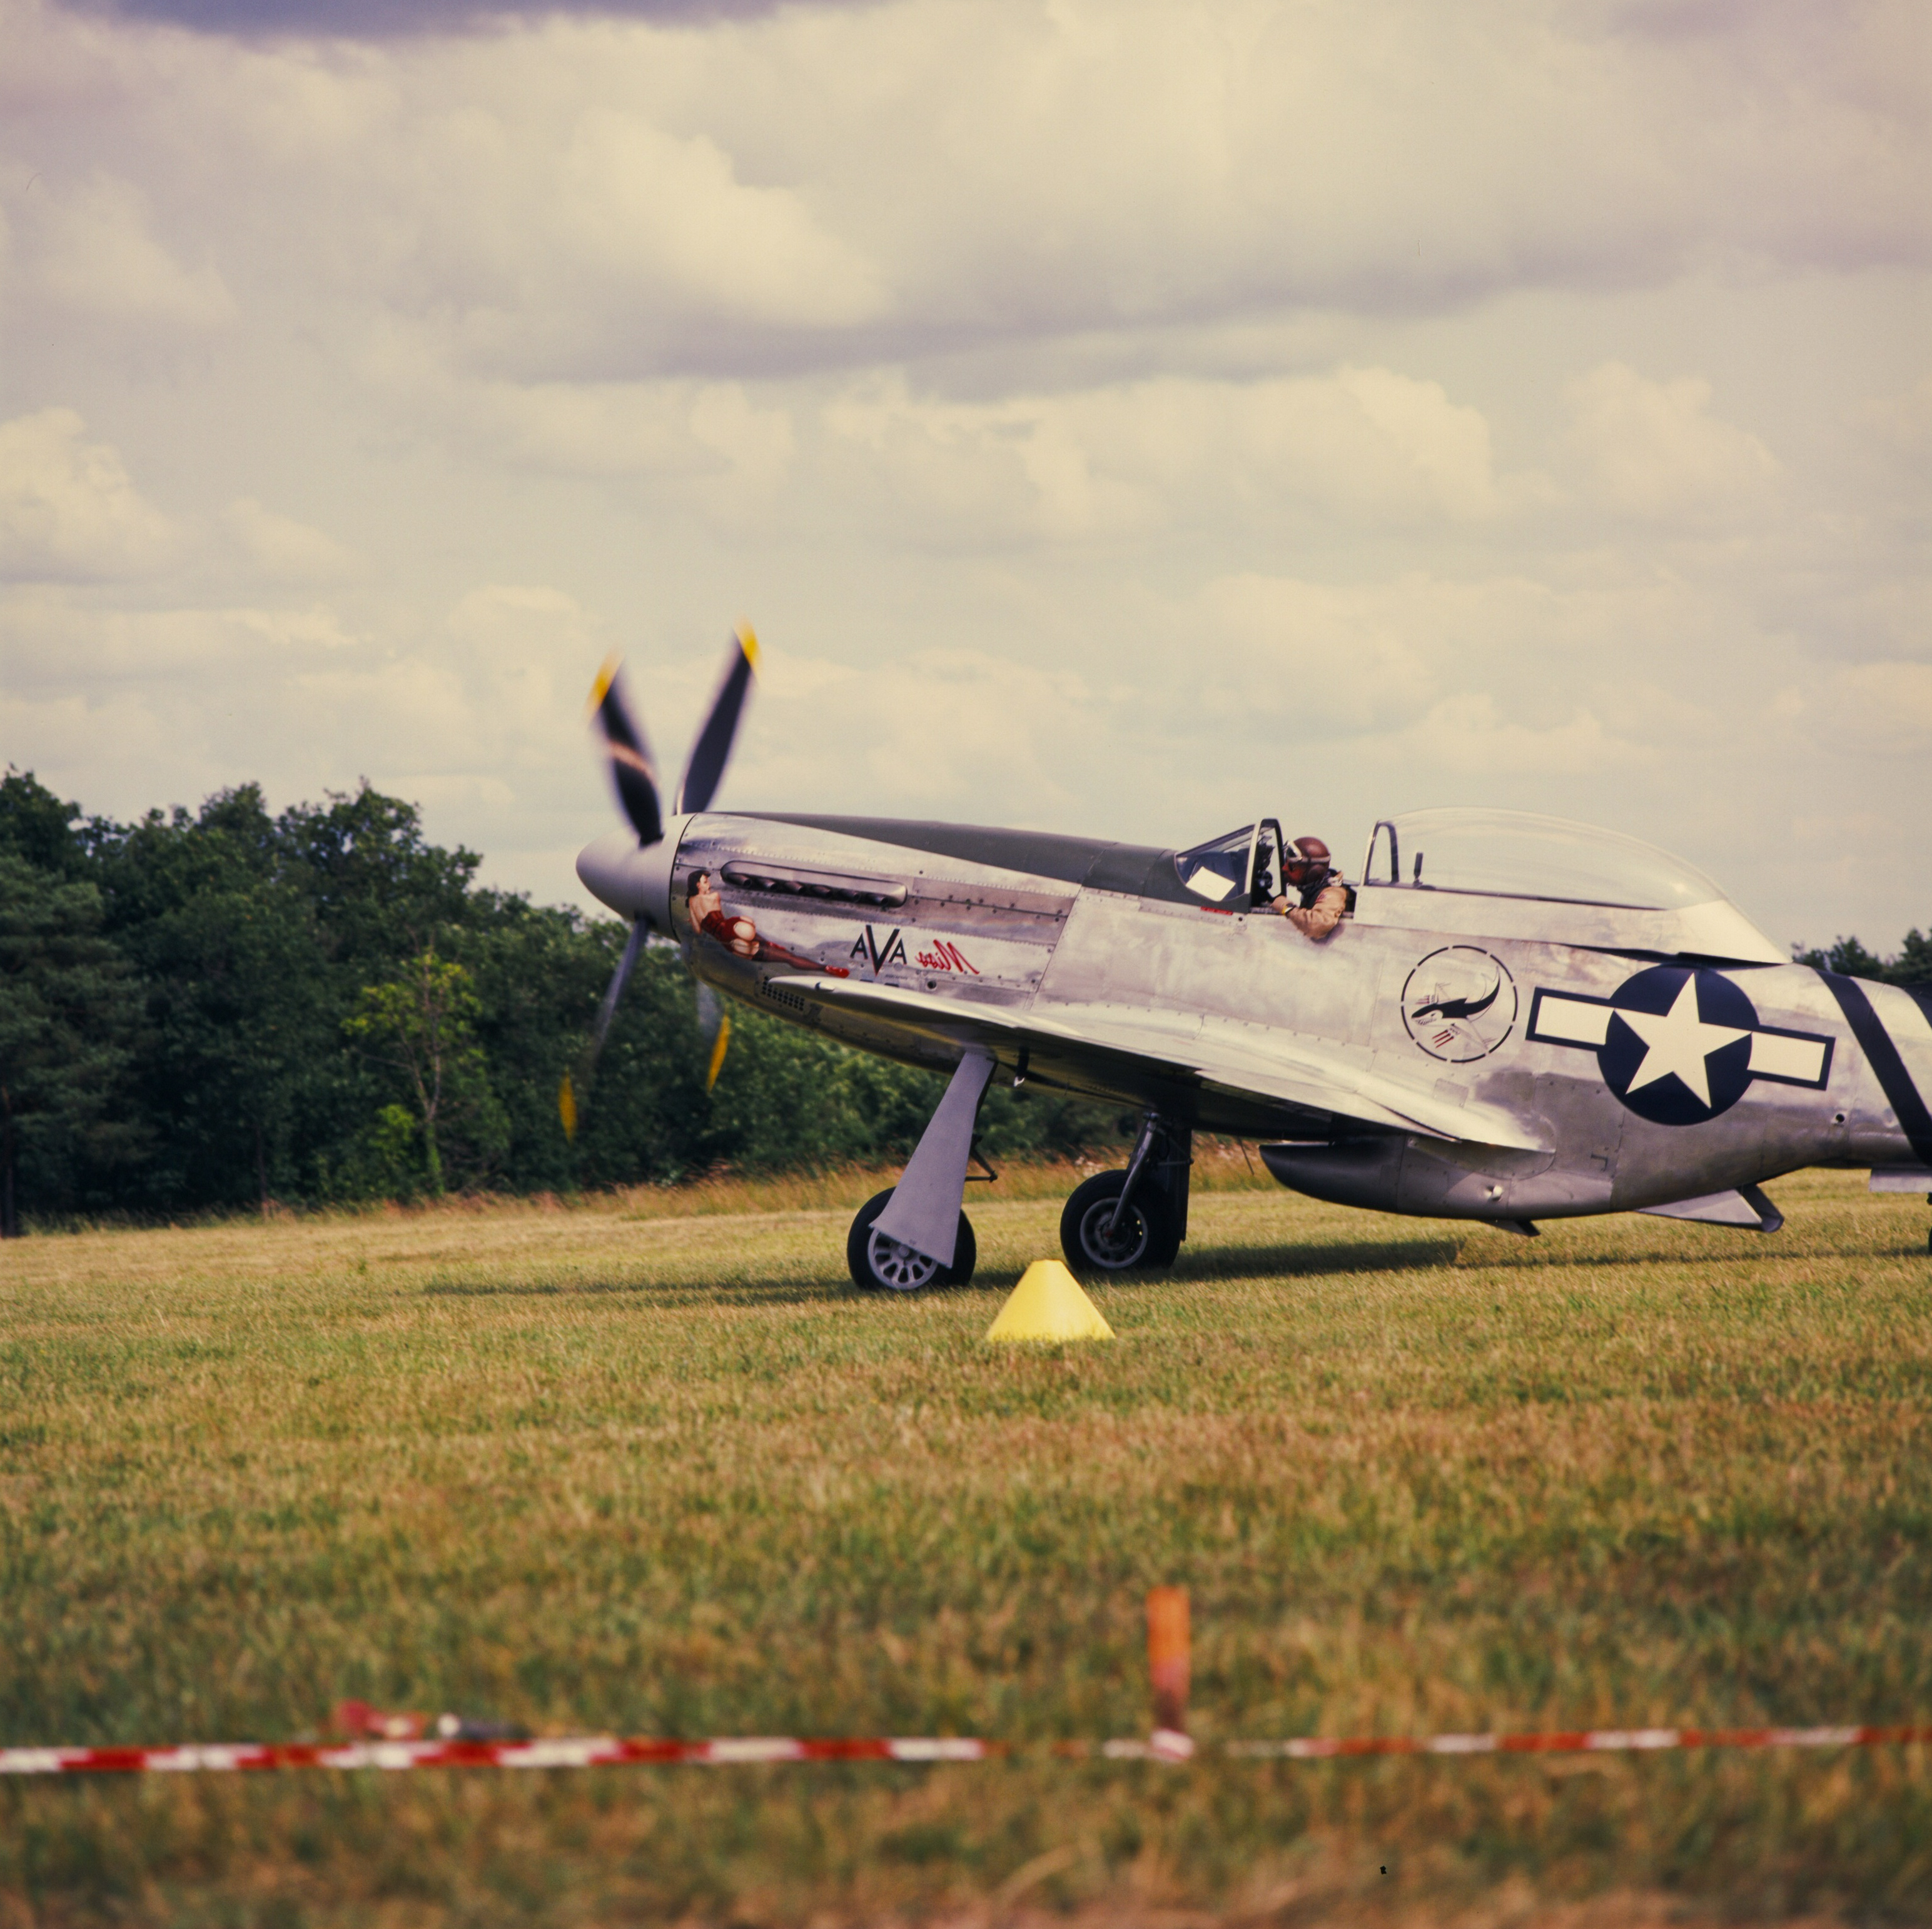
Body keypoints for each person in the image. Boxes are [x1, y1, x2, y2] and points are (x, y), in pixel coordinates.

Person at [684, 870, 846, 975]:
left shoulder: (691, 902)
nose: (710, 884)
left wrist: (696, 919)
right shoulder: (714, 897)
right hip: (735, 927)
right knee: (787, 955)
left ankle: (823, 969)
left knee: (784, 959)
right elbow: (716, 910)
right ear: (698, 885)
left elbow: (698, 930)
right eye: (706, 882)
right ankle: (822, 967)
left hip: (730, 944)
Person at [1271, 835, 1348, 940]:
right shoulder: (1314, 890)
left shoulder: (1333, 893)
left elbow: (1316, 925)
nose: (1284, 869)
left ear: (1313, 872)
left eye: (1292, 867)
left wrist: (1286, 908)